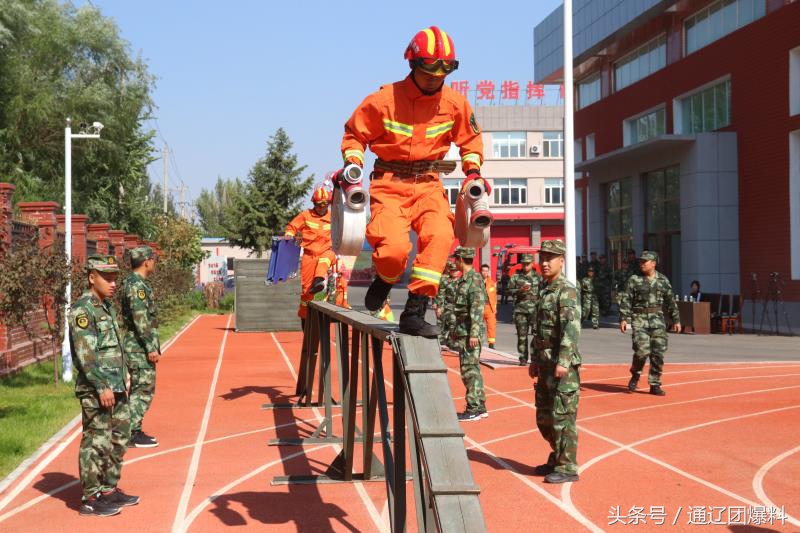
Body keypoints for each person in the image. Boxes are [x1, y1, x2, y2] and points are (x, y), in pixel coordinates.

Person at [340, 25, 485, 337]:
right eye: (429, 70)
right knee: (393, 251)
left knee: (440, 237)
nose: (436, 77)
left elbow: (471, 141)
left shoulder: (455, 104)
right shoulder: (382, 100)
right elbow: (354, 136)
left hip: (429, 184)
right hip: (389, 185)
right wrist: (352, 164)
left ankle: (415, 311)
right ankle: (386, 277)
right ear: (413, 64)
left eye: (444, 71)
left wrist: (473, 171)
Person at [70, 255, 138, 516]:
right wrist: (101, 386)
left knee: (120, 438)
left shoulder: (106, 307)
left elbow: (113, 348)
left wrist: (123, 376)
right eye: (106, 277)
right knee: (96, 441)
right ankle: (90, 498)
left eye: (114, 278)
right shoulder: (83, 310)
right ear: (91, 277)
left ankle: (108, 490)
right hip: (97, 389)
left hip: (116, 385)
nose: (112, 283)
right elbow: (87, 355)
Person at [529, 240, 581, 484]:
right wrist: (534, 360)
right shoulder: (544, 288)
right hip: (545, 363)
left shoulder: (566, 290)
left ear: (562, 261)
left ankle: (567, 465)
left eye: (550, 258)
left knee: (562, 417)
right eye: (542, 258)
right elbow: (538, 329)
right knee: (544, 417)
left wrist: (564, 361)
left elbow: (571, 329)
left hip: (562, 367)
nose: (545, 263)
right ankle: (558, 456)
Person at [619, 251, 681, 396]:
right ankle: (635, 374)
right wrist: (624, 318)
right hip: (639, 318)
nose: (642, 264)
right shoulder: (634, 279)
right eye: (641, 262)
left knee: (658, 353)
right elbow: (626, 299)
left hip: (657, 319)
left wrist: (676, 319)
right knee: (642, 351)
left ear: (653, 263)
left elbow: (670, 301)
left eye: (644, 262)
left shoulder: (663, 280)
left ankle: (655, 384)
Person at [121, 246, 160, 448]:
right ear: (146, 261)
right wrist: (150, 347)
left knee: (139, 388)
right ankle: (131, 433)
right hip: (138, 346)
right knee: (142, 389)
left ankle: (132, 429)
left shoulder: (133, 283)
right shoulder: (136, 286)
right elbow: (141, 319)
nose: (154, 262)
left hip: (136, 344)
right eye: (153, 259)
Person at [284, 186, 336, 321]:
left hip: (327, 252)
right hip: (309, 255)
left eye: (325, 205)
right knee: (307, 291)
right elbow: (292, 227)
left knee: (325, 260)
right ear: (314, 203)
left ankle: (319, 280)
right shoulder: (305, 215)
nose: (321, 208)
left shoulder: (334, 216)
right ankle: (305, 317)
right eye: (319, 205)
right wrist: (289, 235)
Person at [451, 247, 487, 421]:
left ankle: (473, 408)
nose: (453, 262)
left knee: (469, 371)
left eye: (455, 259)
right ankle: (479, 406)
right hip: (463, 331)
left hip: (470, 334)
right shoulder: (465, 280)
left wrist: (473, 334)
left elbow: (477, 308)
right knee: (472, 369)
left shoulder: (474, 280)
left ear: (460, 259)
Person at [508, 253, 541, 365]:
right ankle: (523, 357)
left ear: (532, 264)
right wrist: (519, 290)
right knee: (522, 336)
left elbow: (544, 291)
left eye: (528, 264)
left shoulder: (538, 277)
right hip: (521, 310)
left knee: (537, 335)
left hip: (535, 310)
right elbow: (508, 291)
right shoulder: (516, 276)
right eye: (524, 264)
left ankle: (535, 356)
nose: (526, 266)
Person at [434, 261, 459, 346]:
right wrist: (439, 307)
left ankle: (452, 341)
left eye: (456, 270)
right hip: (447, 305)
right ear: (450, 271)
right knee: (442, 323)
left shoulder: (462, 281)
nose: (454, 272)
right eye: (452, 270)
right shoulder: (445, 281)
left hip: (459, 307)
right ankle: (441, 339)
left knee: (454, 323)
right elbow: (441, 294)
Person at [480, 263, 497, 348]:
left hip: (489, 307)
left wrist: (494, 307)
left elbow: (494, 296)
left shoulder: (491, 283)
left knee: (491, 325)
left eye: (486, 271)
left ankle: (491, 343)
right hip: (479, 306)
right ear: (480, 271)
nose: (485, 272)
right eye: (483, 271)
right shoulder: (477, 282)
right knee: (478, 325)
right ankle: (479, 341)